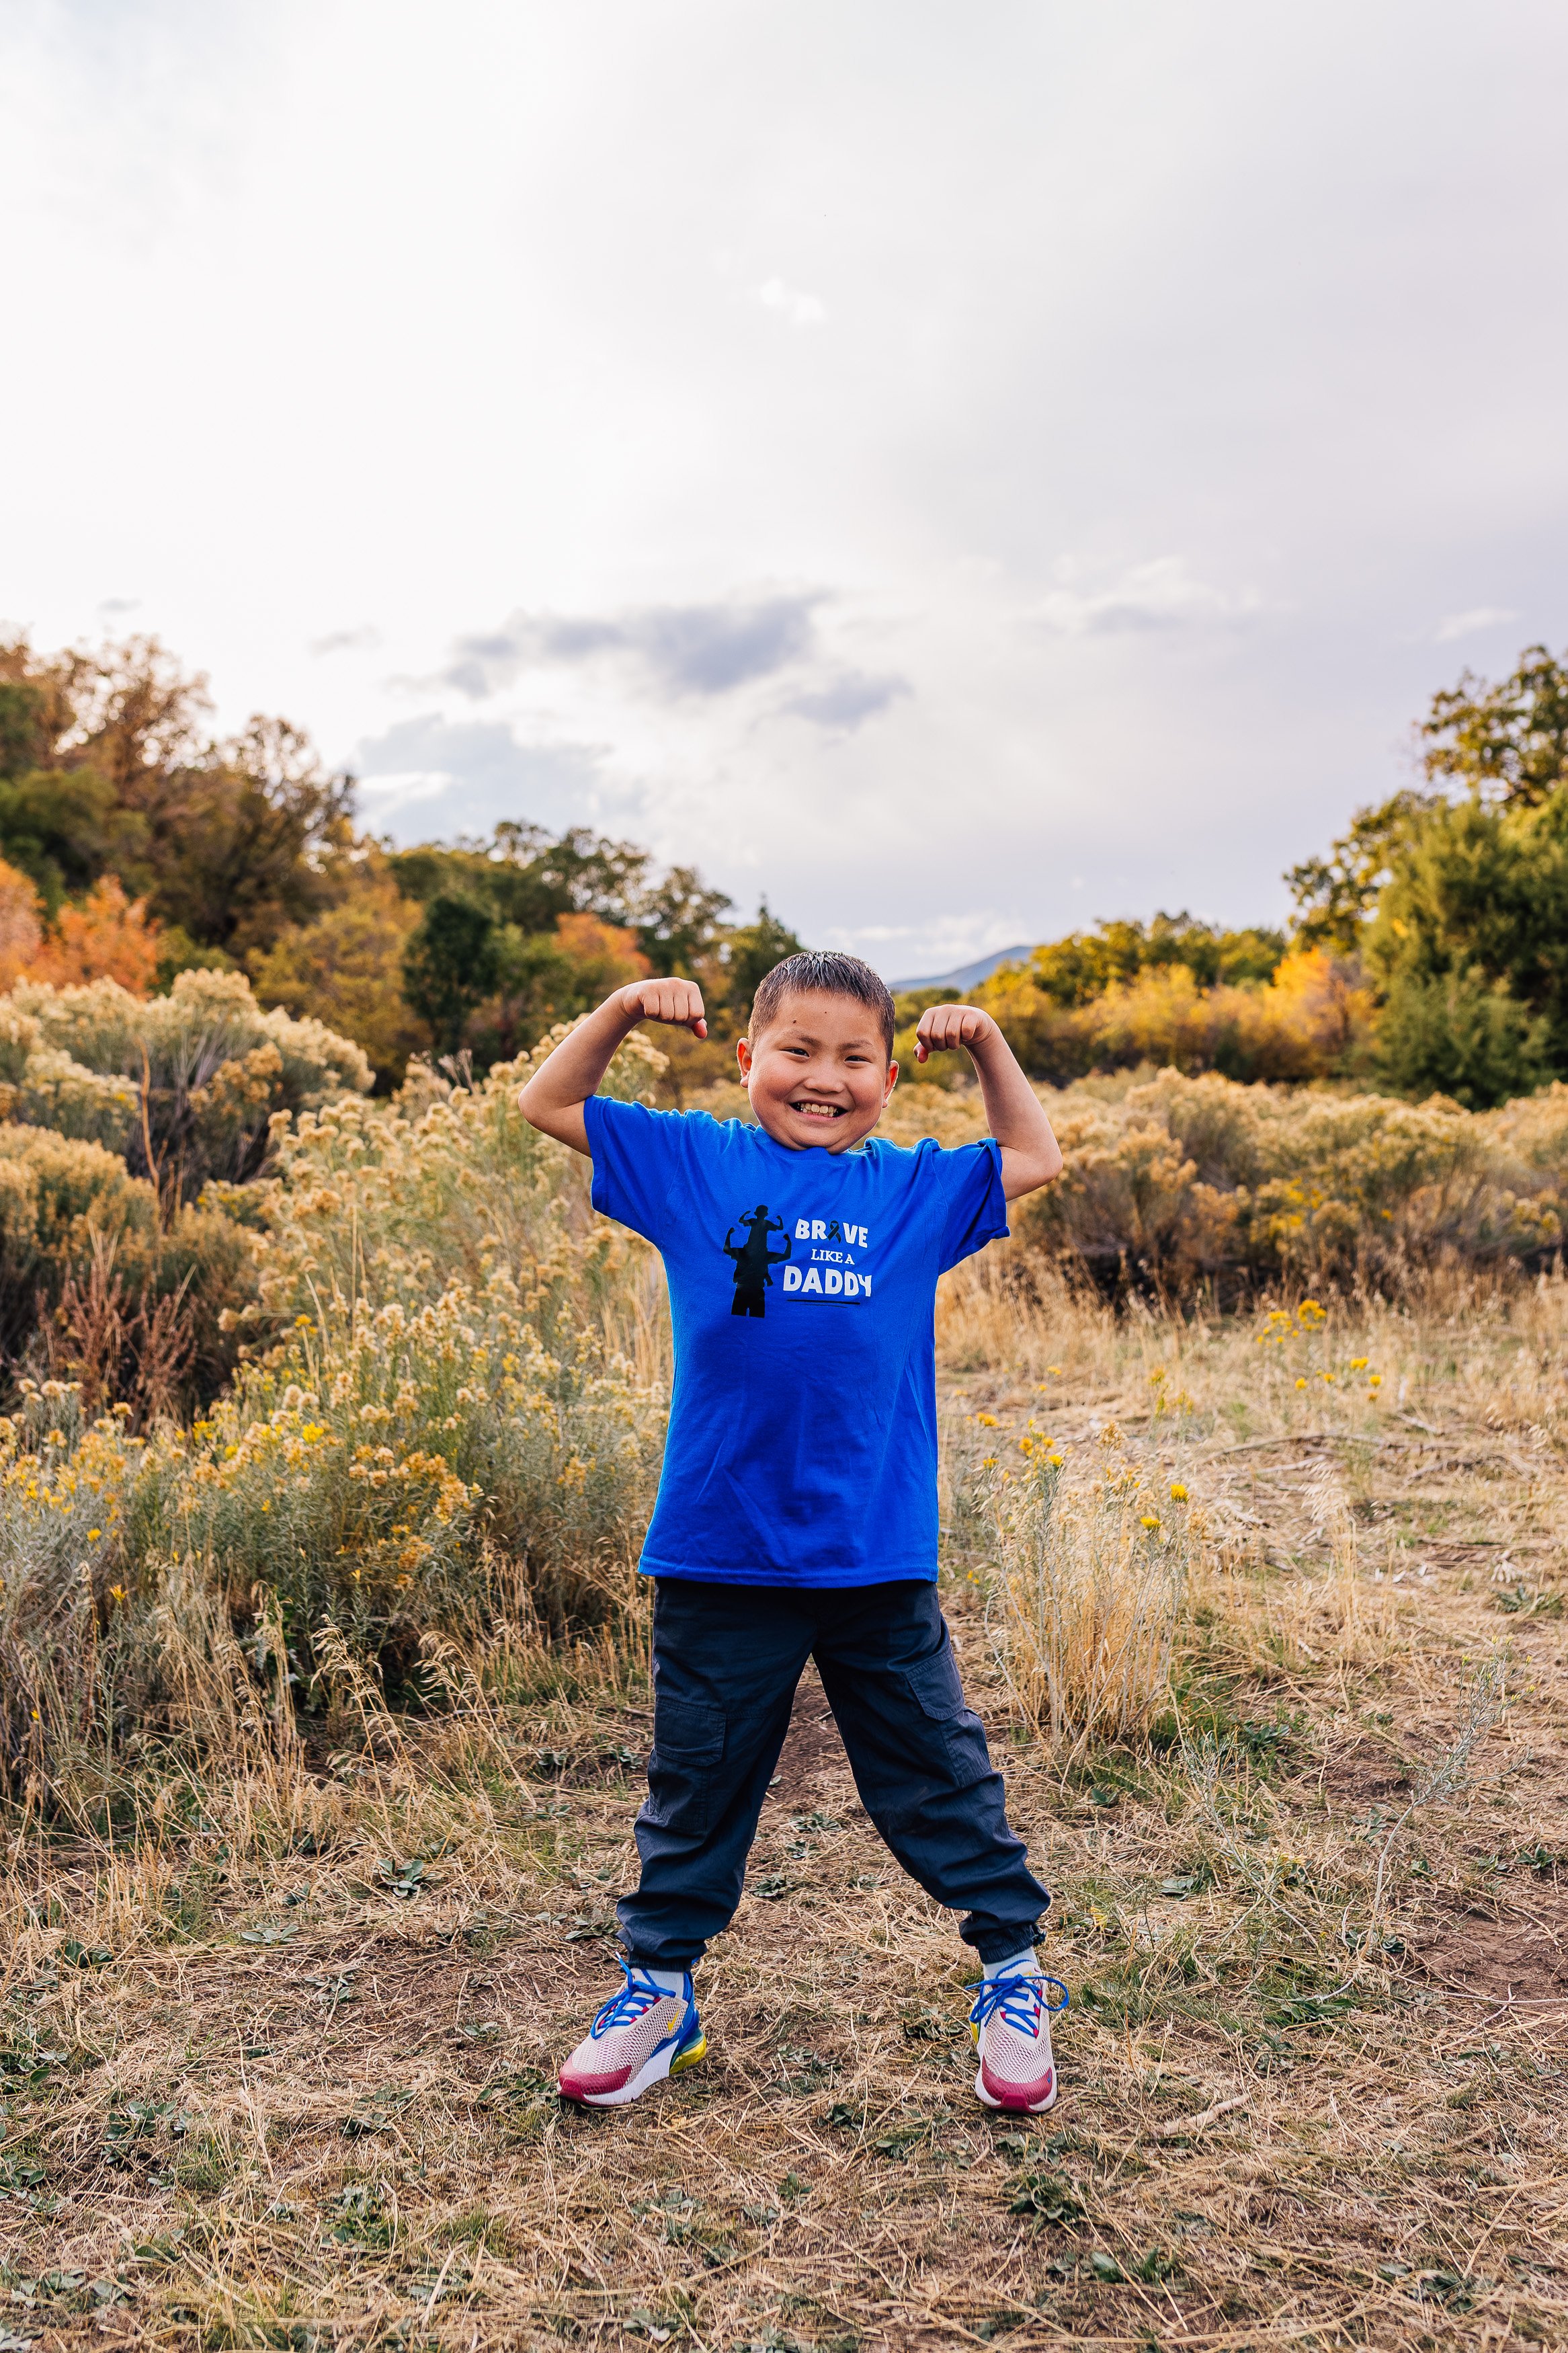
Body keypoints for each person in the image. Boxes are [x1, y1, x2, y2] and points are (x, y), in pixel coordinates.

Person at [518, 949, 1067, 2114]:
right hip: (719, 1546)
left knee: (935, 1768)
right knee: (699, 1780)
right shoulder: (694, 1164)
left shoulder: (912, 1189)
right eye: (797, 1053)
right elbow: (548, 1101)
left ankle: (1013, 1978)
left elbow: (1034, 1156)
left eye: (854, 1058)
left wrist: (987, 1049)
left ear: (887, 1077)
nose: (824, 1078)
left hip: (872, 1552)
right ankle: (659, 1992)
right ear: (745, 1061)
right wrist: (617, 1007)